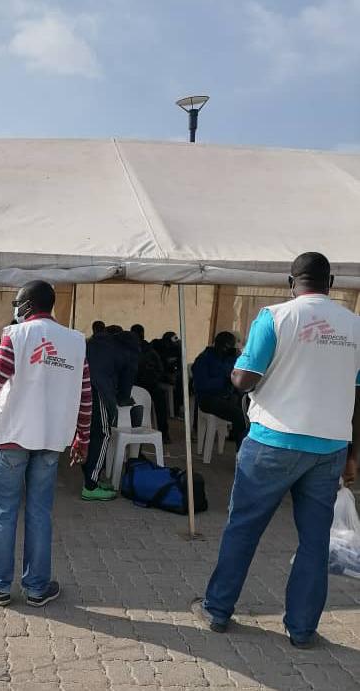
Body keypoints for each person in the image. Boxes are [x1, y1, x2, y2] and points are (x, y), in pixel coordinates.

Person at [194, 252, 360, 649]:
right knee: (315, 540)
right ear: (331, 282)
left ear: (291, 281)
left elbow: (244, 379)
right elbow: (357, 394)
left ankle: (218, 610)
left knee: (244, 529)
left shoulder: (275, 317)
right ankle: (301, 629)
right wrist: (354, 452)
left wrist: (238, 371)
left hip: (274, 442)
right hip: (330, 446)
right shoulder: (355, 325)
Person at [0, 280, 91, 607]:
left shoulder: (15, 336)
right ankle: (37, 588)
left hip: (12, 437)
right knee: (40, 513)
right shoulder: (75, 342)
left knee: (5, 512)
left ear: (26, 305)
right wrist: (81, 435)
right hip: (51, 440)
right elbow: (85, 395)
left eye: (17, 303)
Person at [82, 322, 134, 500]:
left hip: (79, 390)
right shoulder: (128, 352)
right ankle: (90, 485)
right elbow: (125, 389)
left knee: (87, 434)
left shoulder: (95, 342)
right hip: (98, 391)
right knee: (102, 434)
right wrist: (120, 400)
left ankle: (91, 479)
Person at [192, 331, 246, 449]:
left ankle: (239, 439)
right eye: (228, 347)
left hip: (227, 396)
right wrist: (224, 379)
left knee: (250, 411)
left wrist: (237, 359)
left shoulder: (229, 358)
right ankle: (241, 452)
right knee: (238, 415)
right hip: (208, 399)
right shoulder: (204, 359)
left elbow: (237, 376)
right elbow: (201, 385)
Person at [130, 324, 170, 442]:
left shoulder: (149, 350)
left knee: (160, 399)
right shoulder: (131, 348)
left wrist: (151, 377)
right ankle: (163, 433)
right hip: (137, 383)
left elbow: (160, 369)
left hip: (146, 384)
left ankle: (164, 433)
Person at [152, 331, 184, 414]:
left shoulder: (176, 348)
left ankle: (177, 407)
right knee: (177, 382)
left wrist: (181, 348)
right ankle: (175, 409)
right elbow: (159, 366)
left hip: (172, 373)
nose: (177, 341)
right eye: (174, 339)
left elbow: (180, 363)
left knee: (181, 380)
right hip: (159, 375)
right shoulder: (158, 348)